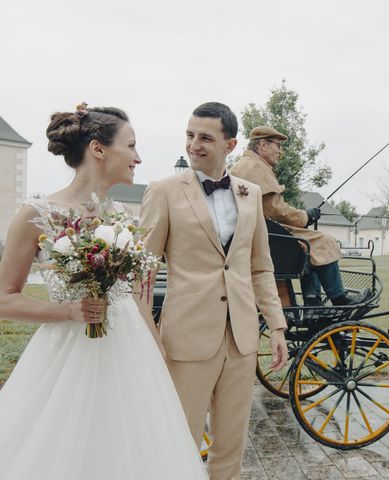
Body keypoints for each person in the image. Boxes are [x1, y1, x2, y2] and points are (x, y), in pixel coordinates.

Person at [0, 105, 208, 479]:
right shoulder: (36, 214)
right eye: (130, 146)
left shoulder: (124, 219)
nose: (138, 157)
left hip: (132, 354)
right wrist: (67, 311)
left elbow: (132, 294)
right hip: (67, 356)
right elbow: (4, 298)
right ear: (98, 149)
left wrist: (156, 345)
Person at [138, 102, 288, 480]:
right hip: (186, 337)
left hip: (241, 338)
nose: (194, 145)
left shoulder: (250, 192)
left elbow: (260, 266)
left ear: (231, 144)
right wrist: (148, 333)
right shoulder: (164, 191)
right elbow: (142, 270)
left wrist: (278, 326)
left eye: (205, 137)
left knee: (231, 444)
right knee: (180, 439)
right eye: (190, 135)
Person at [230, 125, 370, 306]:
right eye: (277, 146)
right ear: (263, 145)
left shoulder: (244, 166)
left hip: (257, 234)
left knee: (307, 246)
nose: (280, 152)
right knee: (323, 240)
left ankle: (312, 300)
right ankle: (339, 297)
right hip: (264, 238)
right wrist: (306, 216)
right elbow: (276, 210)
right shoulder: (254, 168)